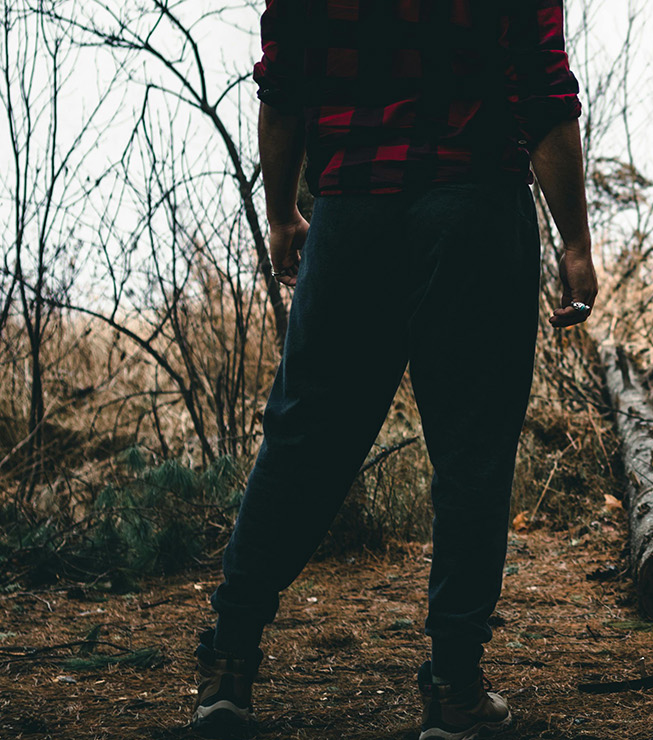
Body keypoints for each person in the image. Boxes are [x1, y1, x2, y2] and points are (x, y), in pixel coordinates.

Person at [191, 1, 596, 738]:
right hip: (475, 206)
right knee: (472, 451)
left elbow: (285, 85)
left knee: (303, 438)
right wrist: (575, 243)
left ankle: (229, 667)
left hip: (353, 213)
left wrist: (283, 212)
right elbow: (543, 88)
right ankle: (454, 690)